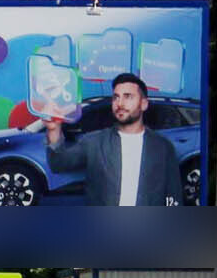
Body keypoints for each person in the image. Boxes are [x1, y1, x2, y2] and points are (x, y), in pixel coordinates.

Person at [39, 71, 188, 207]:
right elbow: (58, 164)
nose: (120, 103)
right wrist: (54, 129)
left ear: (144, 104)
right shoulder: (95, 142)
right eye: (116, 97)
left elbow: (173, 197)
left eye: (128, 96)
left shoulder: (162, 147)